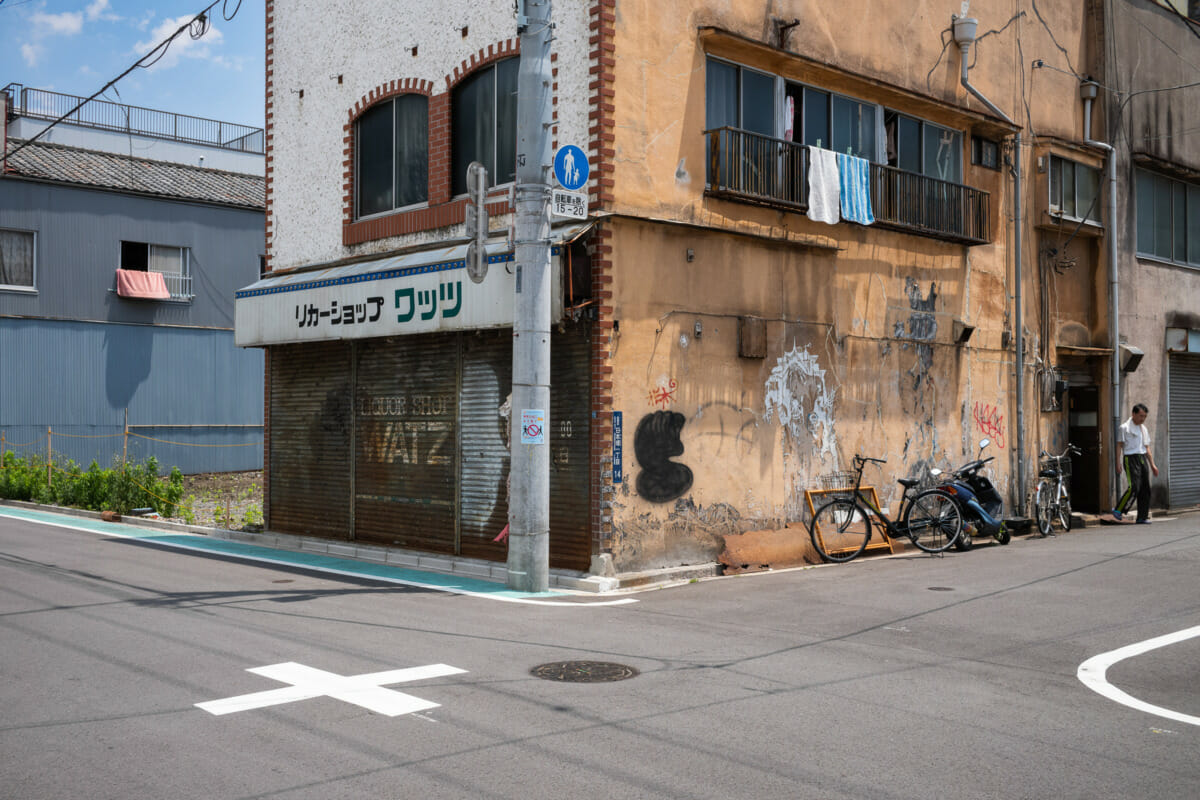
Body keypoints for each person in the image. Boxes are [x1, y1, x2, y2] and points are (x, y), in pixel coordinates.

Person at [1113, 403, 1158, 524]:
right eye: (1140, 416)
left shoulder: (1143, 429)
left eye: (1144, 416)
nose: (1142, 419)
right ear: (1133, 414)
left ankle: (1142, 517)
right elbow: (1119, 446)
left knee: (1145, 489)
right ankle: (1118, 510)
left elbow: (1147, 447)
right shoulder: (1124, 428)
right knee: (1134, 486)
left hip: (1142, 457)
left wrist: (1152, 465)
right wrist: (1118, 463)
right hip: (1130, 458)